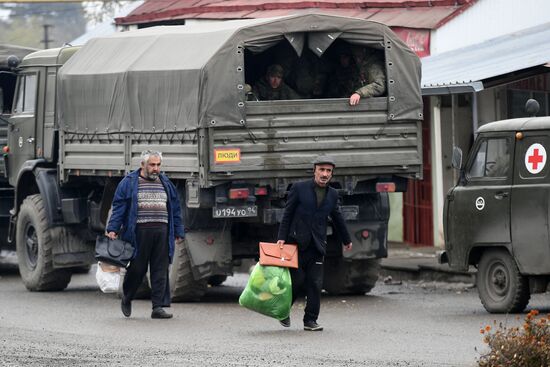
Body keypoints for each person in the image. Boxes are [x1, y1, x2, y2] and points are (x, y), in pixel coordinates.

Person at [276, 155, 353, 331]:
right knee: (296, 281)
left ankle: (310, 320)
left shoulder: (332, 194)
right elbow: (287, 213)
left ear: (332, 174)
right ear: (315, 171)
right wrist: (281, 237)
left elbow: (337, 218)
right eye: (322, 170)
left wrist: (346, 239)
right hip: (296, 243)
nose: (325, 174)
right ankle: (283, 311)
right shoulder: (299, 188)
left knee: (315, 283)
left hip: (318, 244)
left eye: (328, 171)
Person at [106, 150, 184, 319]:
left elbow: (175, 208)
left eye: (158, 165)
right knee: (137, 269)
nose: (156, 168)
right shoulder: (129, 183)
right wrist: (113, 228)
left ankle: (158, 307)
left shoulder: (166, 183)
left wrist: (178, 230)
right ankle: (127, 297)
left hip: (162, 233)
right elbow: (119, 206)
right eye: (152, 165)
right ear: (143, 165)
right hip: (139, 233)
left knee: (160, 270)